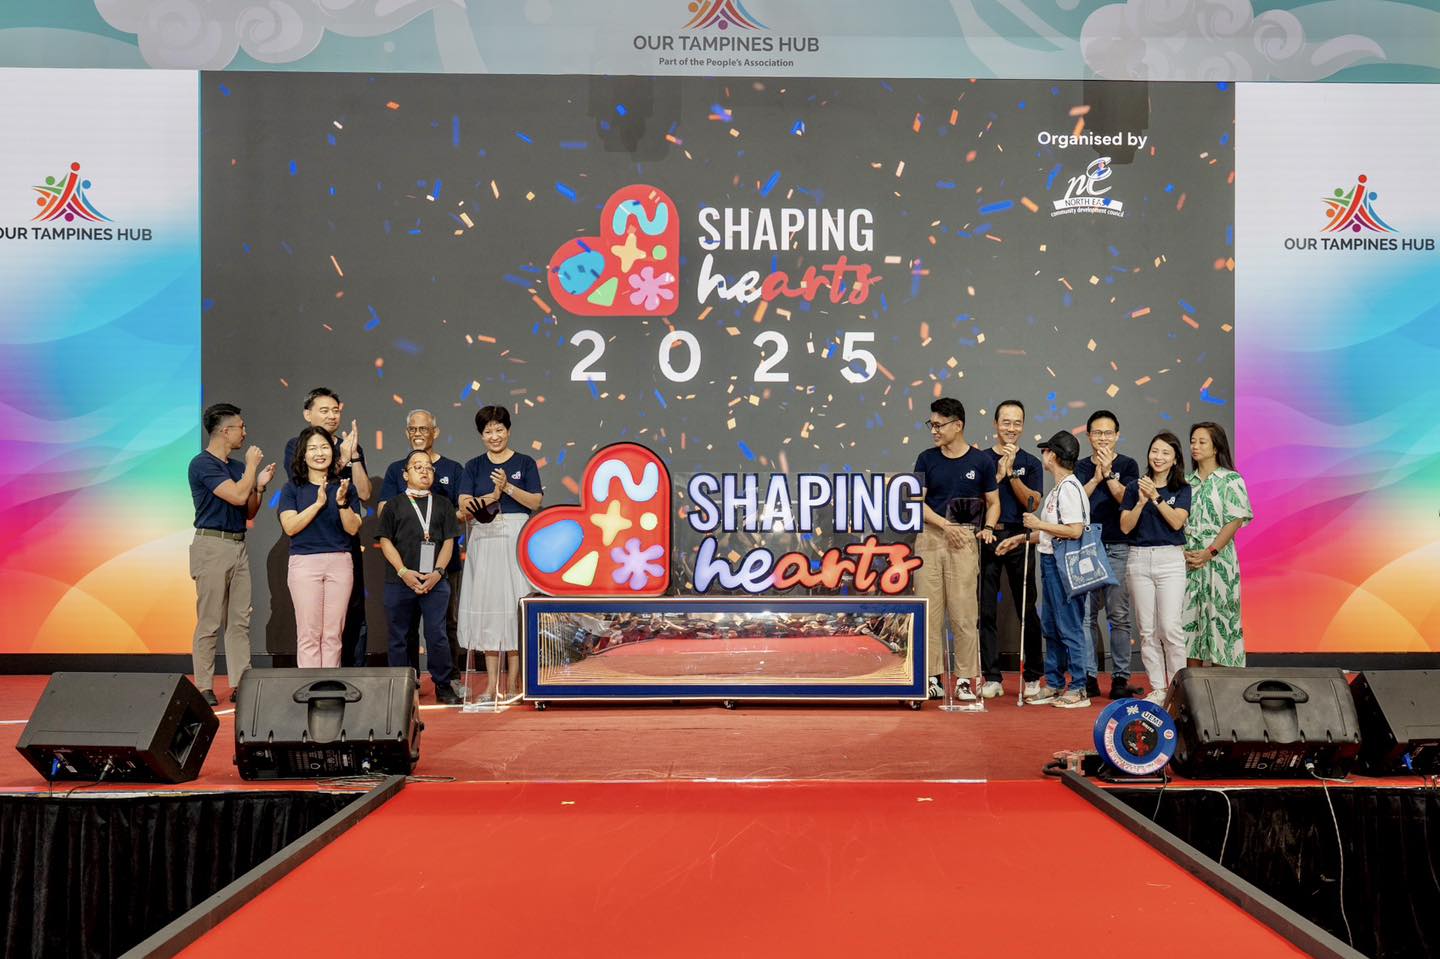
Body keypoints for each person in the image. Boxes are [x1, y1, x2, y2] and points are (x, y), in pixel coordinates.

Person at [912, 397, 999, 707]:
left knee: (964, 614)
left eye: (939, 425)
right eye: (931, 424)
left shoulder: (981, 462)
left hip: (964, 542)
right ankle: (932, 677)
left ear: (958, 425)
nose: (934, 430)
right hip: (930, 540)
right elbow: (916, 503)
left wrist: (988, 528)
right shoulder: (926, 459)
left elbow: (994, 503)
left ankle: (966, 679)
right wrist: (944, 525)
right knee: (930, 613)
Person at [188, 403, 275, 706]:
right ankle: (203, 685)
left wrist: (260, 488)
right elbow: (236, 494)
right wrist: (251, 468)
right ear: (225, 431)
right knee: (210, 620)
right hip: (212, 545)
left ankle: (241, 681)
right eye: (241, 427)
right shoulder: (203, 464)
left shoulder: (238, 468)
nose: (245, 433)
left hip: (238, 544)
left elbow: (248, 508)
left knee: (239, 620)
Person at [998, 431, 1091, 708]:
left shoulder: (1071, 488)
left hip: (1065, 565)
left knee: (1069, 626)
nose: (1043, 455)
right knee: (1051, 625)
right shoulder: (1058, 489)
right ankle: (1053, 683)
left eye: (1046, 451)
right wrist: (1019, 538)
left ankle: (1078, 687)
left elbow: (1074, 531)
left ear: (1053, 455)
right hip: (1051, 561)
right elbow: (1054, 533)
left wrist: (1037, 525)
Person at [457, 406, 543, 701]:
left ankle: (516, 684)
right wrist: (491, 497)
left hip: (517, 538)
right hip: (485, 538)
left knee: (514, 609)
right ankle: (492, 685)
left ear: (508, 430)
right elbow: (465, 506)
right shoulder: (473, 466)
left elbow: (535, 502)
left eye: (499, 430)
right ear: (481, 435)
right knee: (490, 611)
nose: (494, 436)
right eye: (487, 431)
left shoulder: (525, 462)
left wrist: (507, 487)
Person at [284, 388, 372, 667]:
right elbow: (290, 526)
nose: (319, 453)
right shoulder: (293, 487)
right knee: (309, 633)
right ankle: (309, 690)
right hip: (305, 560)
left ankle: (332, 687)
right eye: (313, 449)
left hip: (341, 558)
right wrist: (320, 501)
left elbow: (356, 520)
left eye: (336, 410)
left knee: (334, 634)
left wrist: (352, 459)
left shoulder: (344, 485)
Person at [378, 409, 466, 682]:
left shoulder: (451, 474)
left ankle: (448, 681)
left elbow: (457, 520)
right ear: (405, 474)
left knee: (442, 628)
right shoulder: (395, 478)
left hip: (440, 570)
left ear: (435, 432)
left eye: (424, 429)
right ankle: (405, 685)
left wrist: (437, 572)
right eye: (413, 429)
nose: (418, 434)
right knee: (402, 632)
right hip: (402, 571)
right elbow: (385, 525)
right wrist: (403, 571)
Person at [1073, 409, 1143, 700]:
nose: (1103, 438)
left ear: (1117, 435)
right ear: (1088, 435)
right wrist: (1095, 477)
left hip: (1118, 544)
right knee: (1086, 615)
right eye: (1097, 433)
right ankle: (1089, 676)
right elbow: (1075, 503)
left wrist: (1109, 474)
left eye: (1108, 433)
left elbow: (1125, 498)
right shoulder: (1078, 467)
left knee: (1119, 614)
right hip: (1087, 545)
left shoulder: (1128, 465)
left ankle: (1119, 678)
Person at [1119, 432, 1193, 704]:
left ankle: (1179, 689)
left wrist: (1156, 498)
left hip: (1170, 560)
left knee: (1170, 627)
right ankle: (1159, 688)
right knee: (1147, 630)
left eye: (1165, 453)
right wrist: (1140, 500)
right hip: (1139, 559)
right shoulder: (1133, 487)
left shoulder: (1182, 489)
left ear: (1175, 460)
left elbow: (1176, 523)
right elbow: (1125, 526)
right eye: (1155, 451)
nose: (1158, 457)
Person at [978, 400, 1044, 699]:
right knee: (986, 610)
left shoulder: (1030, 462)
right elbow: (976, 500)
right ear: (995, 424)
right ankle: (991, 676)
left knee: (1027, 609)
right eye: (1006, 422)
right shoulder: (979, 460)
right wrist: (998, 475)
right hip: (988, 538)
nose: (1011, 429)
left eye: (1017, 423)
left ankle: (1032, 676)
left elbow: (1033, 503)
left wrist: (1012, 475)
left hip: (1020, 539)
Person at [1182, 422, 1253, 668]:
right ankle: (1191, 688)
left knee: (1222, 618)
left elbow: (1234, 520)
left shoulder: (1231, 479)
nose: (1195, 446)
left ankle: (1225, 687)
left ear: (1215, 447)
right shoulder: (1185, 481)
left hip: (1218, 559)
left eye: (1202, 441)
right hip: (1189, 559)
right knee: (1189, 620)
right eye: (1193, 441)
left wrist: (1210, 552)